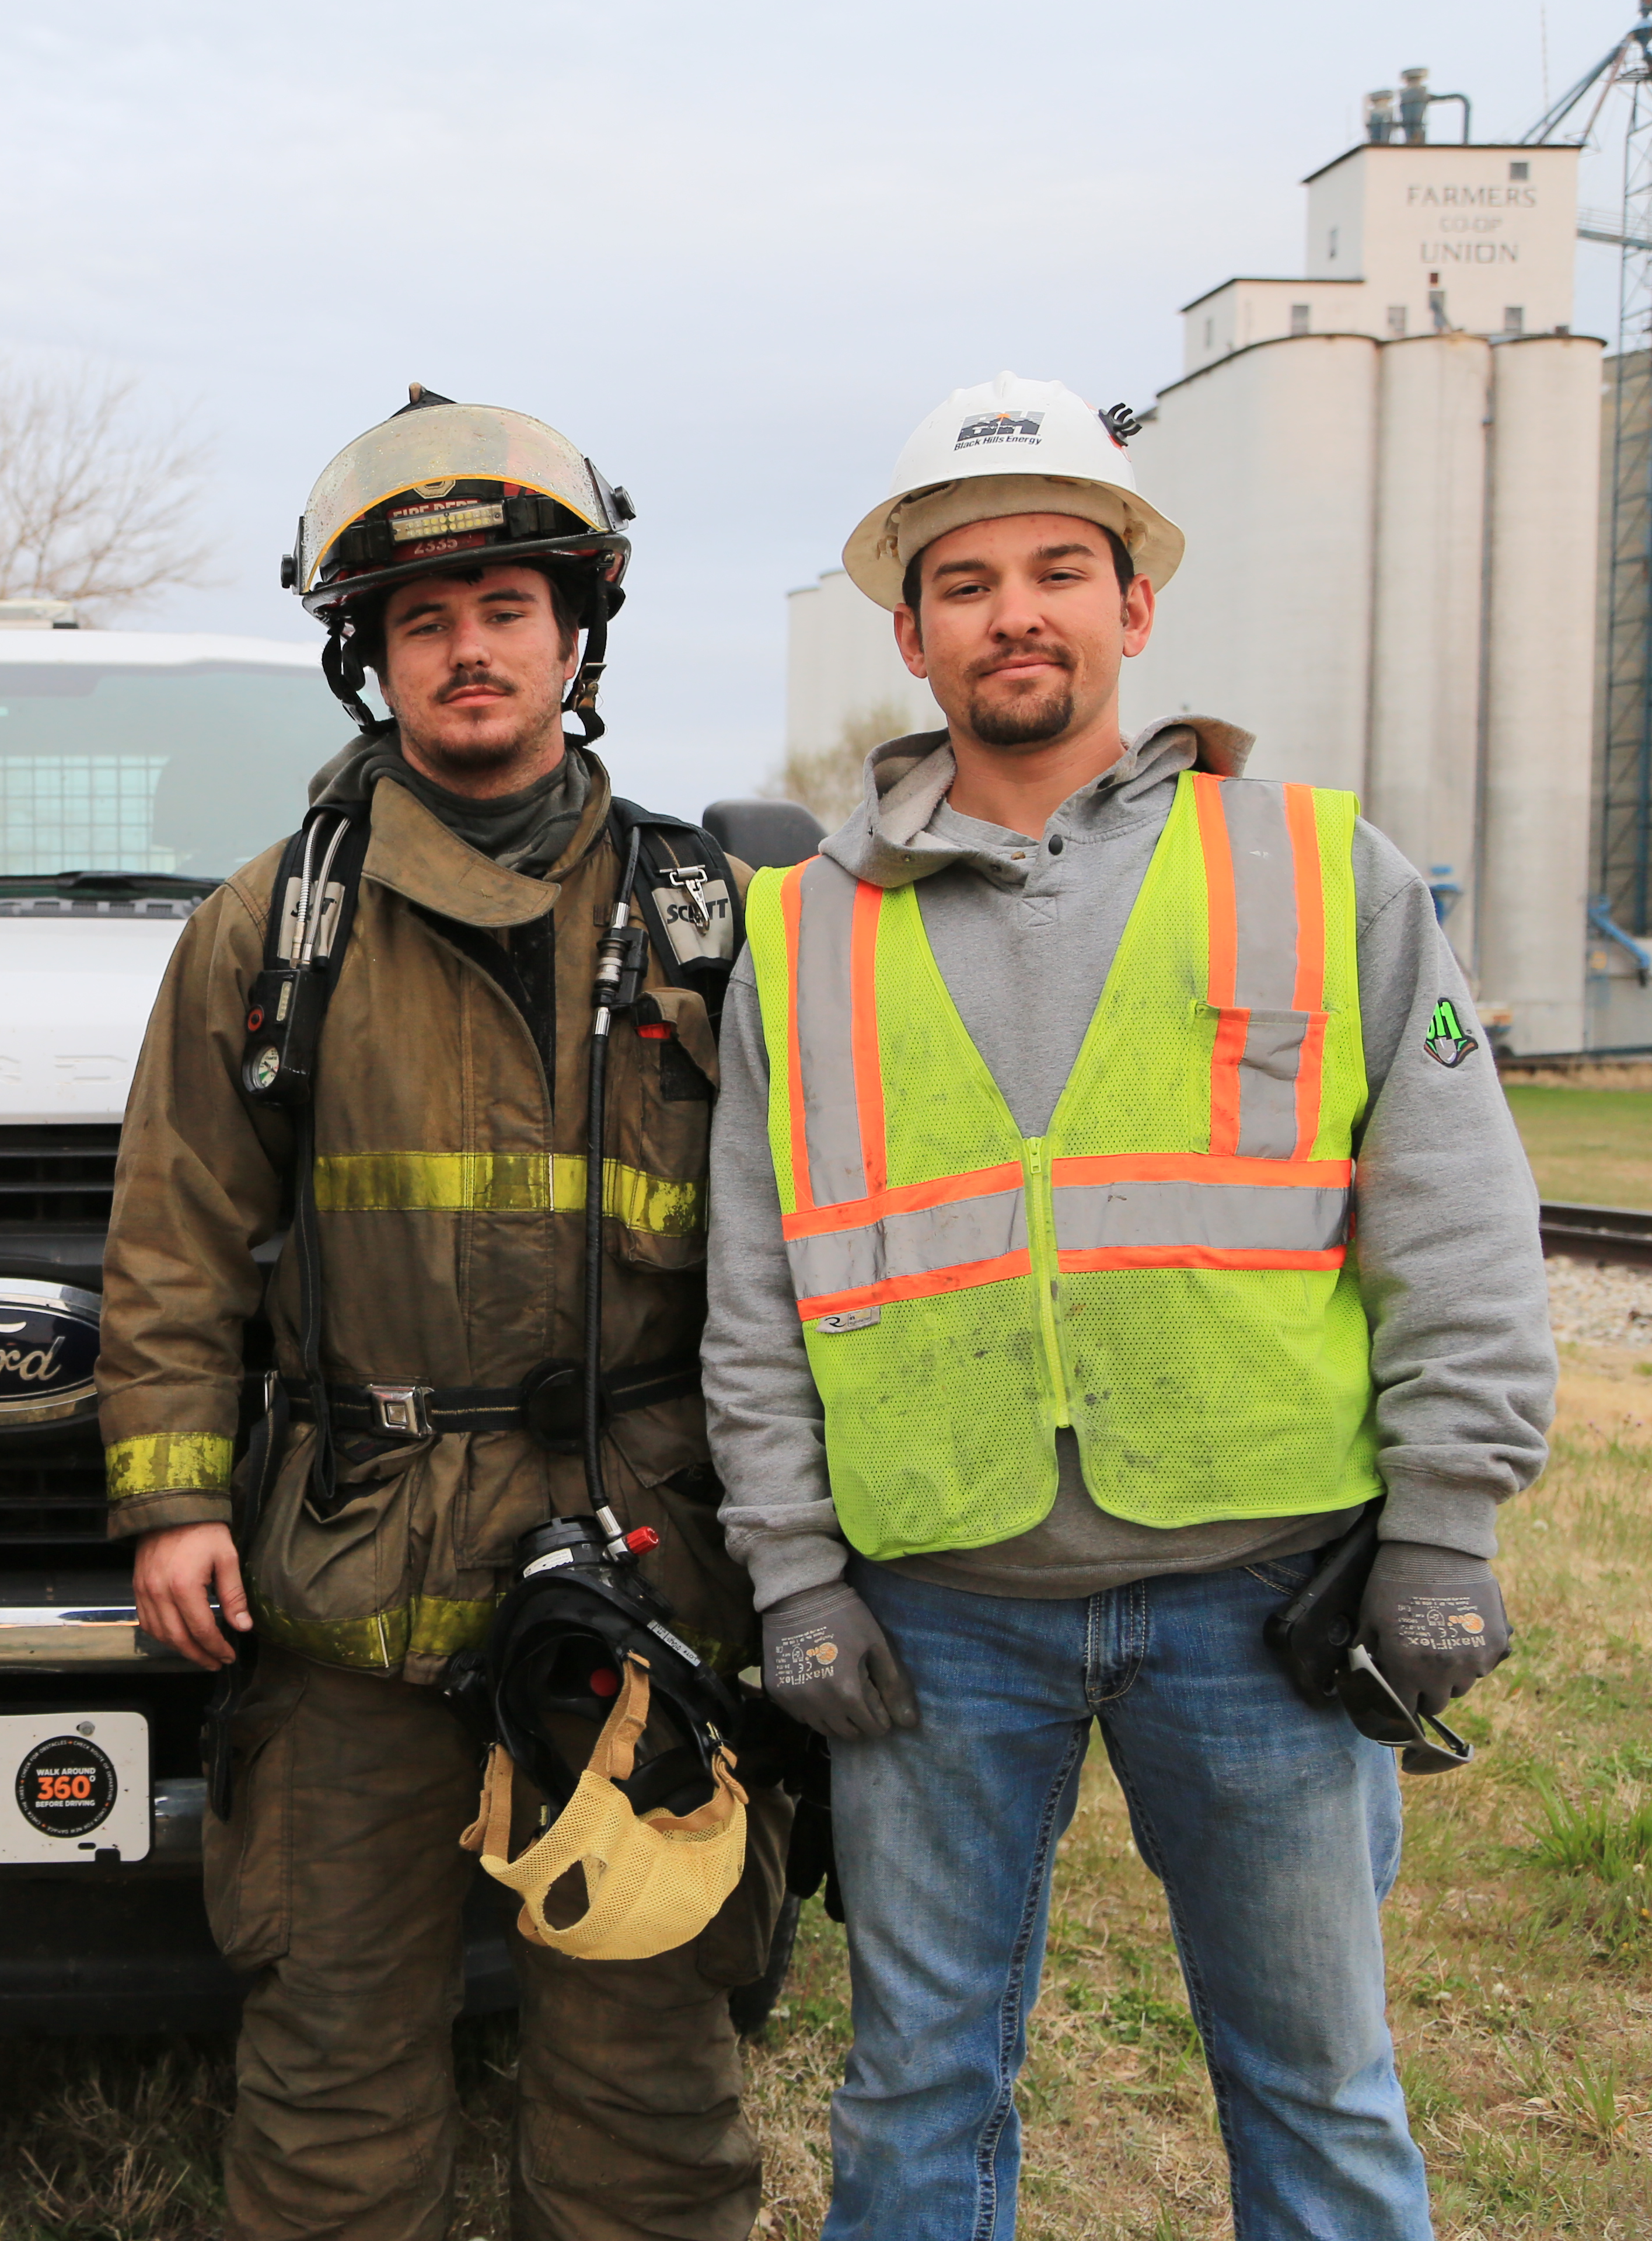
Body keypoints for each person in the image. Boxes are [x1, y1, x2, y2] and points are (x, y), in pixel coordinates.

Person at [703, 372, 1552, 2239]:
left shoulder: (1325, 871)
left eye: (1061, 568)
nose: (1019, 609)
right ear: (910, 631)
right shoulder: (803, 931)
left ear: (1134, 603)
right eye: (970, 577)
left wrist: (1446, 1520)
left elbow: (1460, 1214)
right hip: (937, 1606)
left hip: (1261, 1599)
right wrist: (792, 1573)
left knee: (1319, 2081)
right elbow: (753, 1287)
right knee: (917, 2086)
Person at [99, 387, 793, 2241]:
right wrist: (171, 1498)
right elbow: (177, 1230)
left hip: (641, 1548)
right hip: (350, 1566)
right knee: (333, 2048)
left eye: (504, 607)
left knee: (651, 2045)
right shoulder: (273, 927)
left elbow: (793, 1259)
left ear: (577, 633)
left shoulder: (711, 919)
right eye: (423, 619)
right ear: (373, 661)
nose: (467, 649)